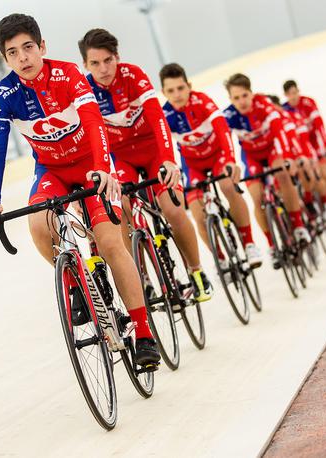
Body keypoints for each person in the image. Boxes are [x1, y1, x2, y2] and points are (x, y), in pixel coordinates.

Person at [0, 13, 160, 365]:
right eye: (13, 53)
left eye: (28, 48)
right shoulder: (4, 93)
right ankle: (77, 287)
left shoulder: (68, 74)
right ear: (5, 59)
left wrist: (104, 168)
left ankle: (144, 333)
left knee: (109, 241)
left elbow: (92, 122)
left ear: (42, 47)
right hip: (52, 171)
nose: (23, 58)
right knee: (39, 225)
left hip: (92, 164)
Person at [78, 28, 213, 302]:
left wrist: (169, 161)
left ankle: (197, 273)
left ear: (117, 57)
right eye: (95, 63)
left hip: (153, 152)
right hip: (122, 158)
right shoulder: (85, 88)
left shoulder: (134, 75)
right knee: (123, 211)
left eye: (108, 60)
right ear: (85, 65)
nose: (103, 69)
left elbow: (158, 119)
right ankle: (145, 281)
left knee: (173, 210)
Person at [160, 63, 265, 269]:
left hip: (218, 156)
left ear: (189, 86)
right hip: (193, 165)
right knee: (198, 214)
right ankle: (221, 260)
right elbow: (163, 146)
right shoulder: (165, 114)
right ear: (163, 92)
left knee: (227, 186)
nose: (177, 94)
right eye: (170, 91)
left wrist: (230, 161)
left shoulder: (203, 102)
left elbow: (223, 130)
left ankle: (249, 243)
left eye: (181, 88)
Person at [221, 74, 311, 267]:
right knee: (257, 198)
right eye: (236, 98)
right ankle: (272, 244)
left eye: (244, 95)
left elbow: (280, 131)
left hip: (273, 150)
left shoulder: (265, 105)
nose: (241, 101)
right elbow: (224, 140)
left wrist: (287, 157)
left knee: (282, 174)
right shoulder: (229, 115)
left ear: (251, 94)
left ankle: (298, 226)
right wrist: (230, 162)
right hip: (252, 156)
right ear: (230, 100)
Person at [283, 80, 326, 229]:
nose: (293, 96)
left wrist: (323, 148)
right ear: (285, 95)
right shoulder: (285, 110)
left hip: (315, 143)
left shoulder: (308, 103)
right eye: (290, 94)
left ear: (299, 91)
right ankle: (309, 203)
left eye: (295, 92)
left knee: (323, 175)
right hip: (300, 145)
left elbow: (319, 127)